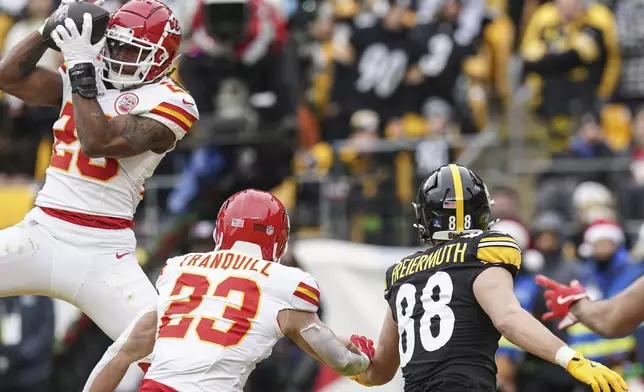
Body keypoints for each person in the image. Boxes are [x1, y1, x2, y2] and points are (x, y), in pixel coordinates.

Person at [0, 0, 198, 357]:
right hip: (41, 232)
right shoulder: (86, 76)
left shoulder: (175, 103)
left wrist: (80, 66)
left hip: (104, 252)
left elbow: (98, 142)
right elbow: (8, 77)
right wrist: (49, 28)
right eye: (115, 45)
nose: (120, 55)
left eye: (132, 50)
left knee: (169, 360)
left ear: (162, 59)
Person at [348, 164, 628, 392]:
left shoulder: (402, 272)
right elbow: (508, 318)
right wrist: (572, 360)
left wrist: (352, 364)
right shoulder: (484, 251)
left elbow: (380, 371)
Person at [82, 189, 376, 392]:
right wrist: (362, 359)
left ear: (219, 231)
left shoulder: (179, 270)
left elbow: (118, 355)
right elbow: (338, 358)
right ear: (280, 241)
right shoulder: (283, 282)